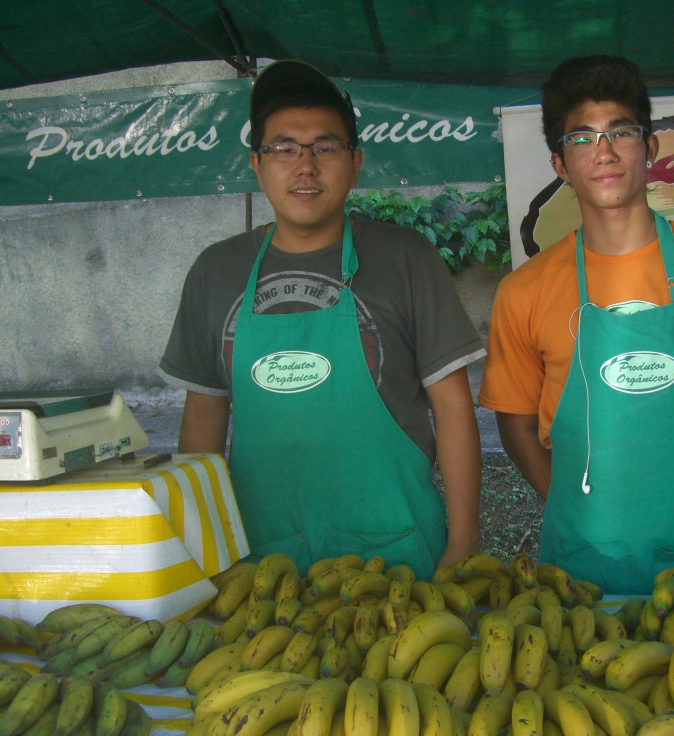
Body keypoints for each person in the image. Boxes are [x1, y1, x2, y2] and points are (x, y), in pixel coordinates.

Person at [159, 59, 485, 579]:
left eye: (325, 148)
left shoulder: (407, 258)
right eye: (283, 148)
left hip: (398, 554)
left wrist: (463, 542)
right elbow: (203, 419)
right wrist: (199, 546)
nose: (304, 166)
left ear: (355, 163)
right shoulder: (215, 271)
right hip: (261, 560)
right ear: (257, 164)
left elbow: (452, 408)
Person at [479, 55, 674, 595]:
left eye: (620, 131)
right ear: (559, 164)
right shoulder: (523, 292)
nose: (603, 151)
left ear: (649, 148)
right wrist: (574, 507)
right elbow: (517, 424)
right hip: (580, 562)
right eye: (582, 137)